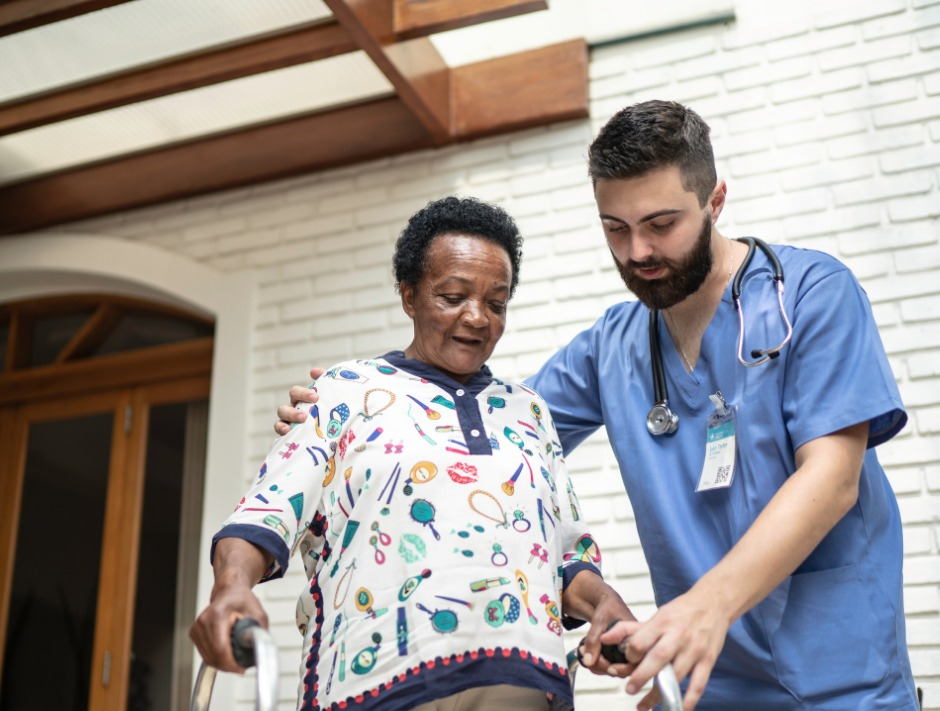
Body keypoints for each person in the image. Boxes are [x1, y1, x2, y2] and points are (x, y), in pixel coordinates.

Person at [275, 101, 919, 710]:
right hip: (702, 683)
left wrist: (706, 607)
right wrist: (359, 409)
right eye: (617, 228)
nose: (638, 252)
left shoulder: (809, 295)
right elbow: (491, 448)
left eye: (661, 225)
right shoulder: (612, 348)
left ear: (715, 201)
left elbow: (832, 479)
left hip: (843, 679)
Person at [191, 196, 632, 711]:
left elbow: (564, 556)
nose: (477, 317)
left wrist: (604, 602)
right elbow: (262, 517)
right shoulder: (344, 391)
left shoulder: (529, 412)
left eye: (496, 302)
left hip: (520, 686)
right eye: (452, 295)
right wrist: (230, 588)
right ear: (409, 295)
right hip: (374, 685)